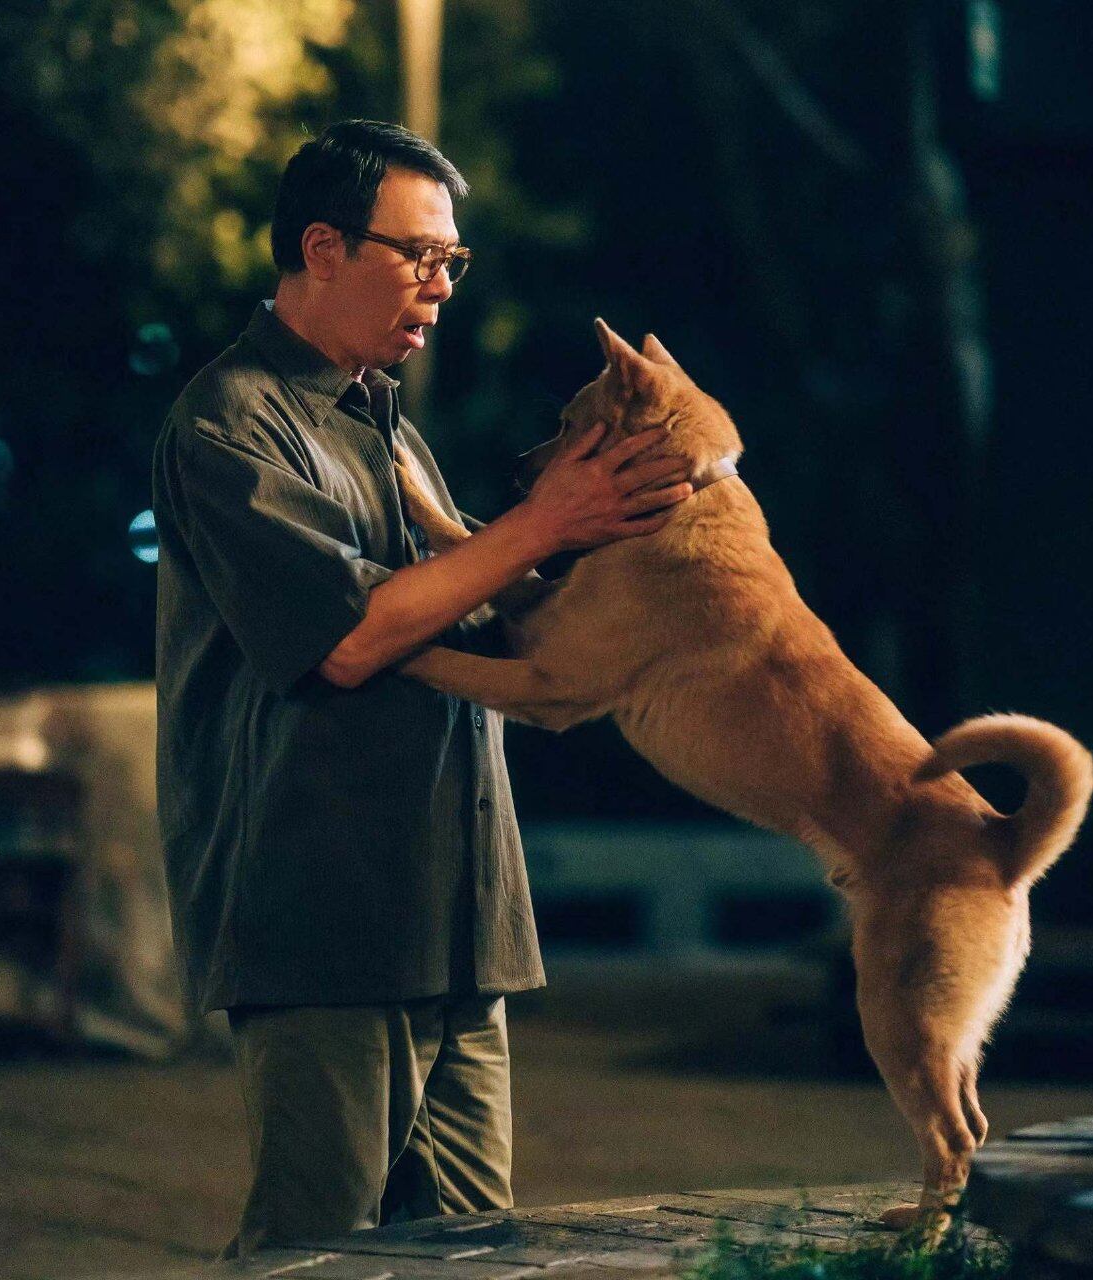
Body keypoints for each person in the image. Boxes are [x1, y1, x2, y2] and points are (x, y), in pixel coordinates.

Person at [151, 119, 692, 1256]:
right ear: (323, 247)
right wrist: (541, 524)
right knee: (314, 1243)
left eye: (453, 260)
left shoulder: (381, 421)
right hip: (327, 908)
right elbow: (347, 640)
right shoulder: (231, 420)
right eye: (420, 256)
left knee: (470, 1247)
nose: (441, 287)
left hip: (455, 911)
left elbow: (470, 607)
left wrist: (611, 544)